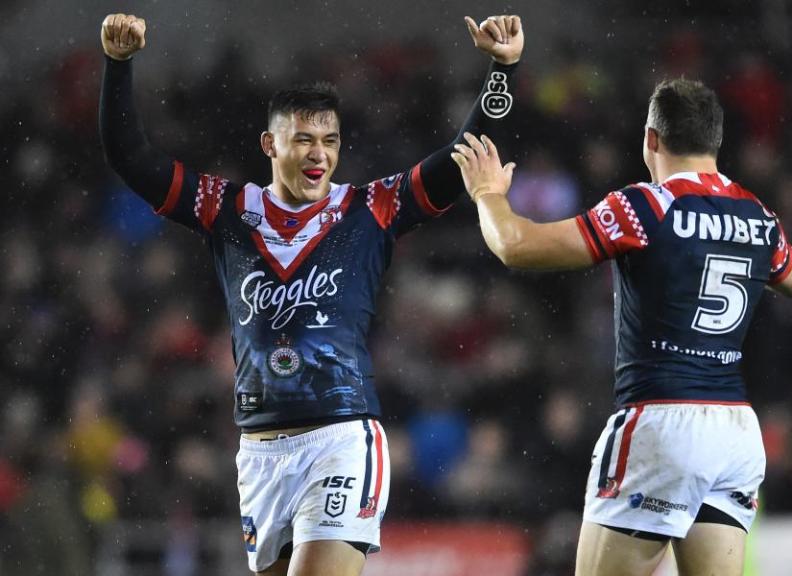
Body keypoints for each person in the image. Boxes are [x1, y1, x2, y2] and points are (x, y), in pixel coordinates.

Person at [98, 12, 523, 576]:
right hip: (260, 451)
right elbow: (132, 158)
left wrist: (503, 69)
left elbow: (463, 156)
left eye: (330, 140)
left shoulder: (371, 207)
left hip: (341, 438)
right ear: (269, 143)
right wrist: (118, 66)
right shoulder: (226, 210)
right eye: (303, 139)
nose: (319, 154)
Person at [451, 78, 792, 576]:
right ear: (716, 141)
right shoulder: (757, 215)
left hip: (662, 420)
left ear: (651, 139)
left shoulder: (644, 207)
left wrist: (488, 195)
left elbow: (514, 244)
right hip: (734, 430)